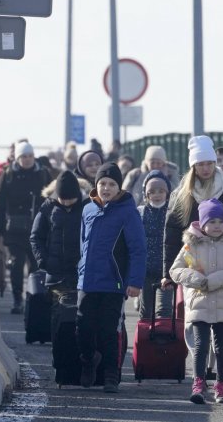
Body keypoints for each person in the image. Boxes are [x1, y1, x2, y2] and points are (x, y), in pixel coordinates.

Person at [77, 162, 146, 393]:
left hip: (114, 283)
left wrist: (135, 282)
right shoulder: (88, 209)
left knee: (109, 331)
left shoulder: (128, 212)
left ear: (119, 187)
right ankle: (88, 361)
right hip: (87, 281)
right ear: (96, 185)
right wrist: (80, 270)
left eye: (111, 184)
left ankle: (110, 375)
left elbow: (138, 249)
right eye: (102, 183)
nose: (106, 188)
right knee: (83, 328)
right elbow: (83, 244)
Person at [169, 199, 223, 404]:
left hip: (222, 302)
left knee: (222, 347)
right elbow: (175, 270)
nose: (217, 226)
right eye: (211, 222)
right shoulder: (190, 246)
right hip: (199, 302)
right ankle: (199, 383)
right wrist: (195, 279)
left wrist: (213, 281)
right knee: (200, 345)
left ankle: (222, 385)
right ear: (202, 224)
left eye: (220, 222)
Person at [163, 135, 223, 287]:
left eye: (210, 163)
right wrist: (167, 273)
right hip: (193, 259)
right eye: (200, 164)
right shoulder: (183, 193)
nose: (206, 169)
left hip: (222, 258)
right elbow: (172, 232)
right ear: (193, 166)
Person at [0, 141, 52, 314]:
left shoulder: (43, 173)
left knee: (36, 266)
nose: (27, 160)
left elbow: (52, 199)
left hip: (38, 228)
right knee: (16, 265)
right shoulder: (8, 174)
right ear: (17, 158)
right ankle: (18, 299)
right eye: (23, 157)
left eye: (30, 156)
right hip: (14, 230)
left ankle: (32, 298)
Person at [30, 170, 86, 345]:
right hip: (56, 274)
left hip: (82, 273)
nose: (67, 203)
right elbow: (36, 237)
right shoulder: (48, 208)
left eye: (71, 199)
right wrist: (43, 261)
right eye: (63, 200)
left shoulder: (88, 207)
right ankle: (60, 356)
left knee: (81, 317)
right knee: (59, 315)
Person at [137, 169, 173, 319]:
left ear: (167, 193)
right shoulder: (140, 212)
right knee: (146, 310)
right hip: (146, 270)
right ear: (146, 194)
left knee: (164, 310)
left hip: (166, 270)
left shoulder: (172, 212)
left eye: (161, 191)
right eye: (152, 192)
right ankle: (145, 339)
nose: (157, 195)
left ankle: (163, 339)